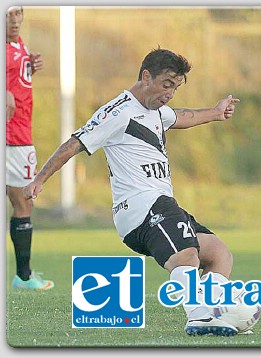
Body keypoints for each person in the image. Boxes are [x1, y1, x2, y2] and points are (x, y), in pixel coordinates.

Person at [24, 48, 241, 336]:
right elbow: (75, 143)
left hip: (161, 204)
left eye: (175, 87)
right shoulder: (118, 112)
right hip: (141, 207)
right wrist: (40, 179)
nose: (170, 93)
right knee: (186, 255)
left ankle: (216, 311)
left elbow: (180, 116)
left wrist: (215, 113)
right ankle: (199, 316)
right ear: (146, 76)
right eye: (166, 85)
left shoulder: (156, 112)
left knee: (218, 254)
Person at [6, 6, 54, 290]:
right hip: (12, 137)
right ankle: (23, 276)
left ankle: (23, 275)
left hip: (21, 132)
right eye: (8, 15)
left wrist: (29, 66)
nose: (14, 20)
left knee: (24, 203)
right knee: (23, 203)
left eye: (18, 13)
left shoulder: (18, 43)